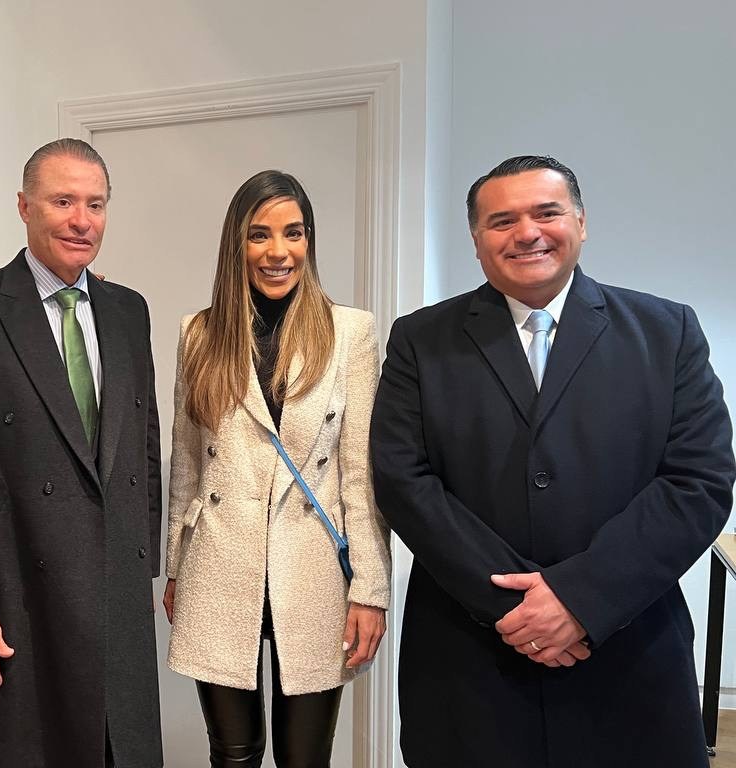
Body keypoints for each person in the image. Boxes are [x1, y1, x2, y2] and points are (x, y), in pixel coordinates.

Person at [370, 155, 736, 767]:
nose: (527, 233)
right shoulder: (420, 339)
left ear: (581, 223)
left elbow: (698, 481)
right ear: (477, 239)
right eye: (501, 221)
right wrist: (519, 611)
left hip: (627, 649)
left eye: (546, 212)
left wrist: (580, 599)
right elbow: (404, 481)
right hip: (473, 654)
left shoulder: (666, 331)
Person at [0, 138, 162, 768]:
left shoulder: (128, 310)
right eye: (63, 201)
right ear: (24, 206)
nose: (81, 220)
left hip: (114, 590)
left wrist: (141, 566)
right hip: (16, 596)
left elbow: (143, 449)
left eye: (95, 204)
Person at [162, 170, 390, 767]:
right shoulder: (200, 333)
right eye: (259, 234)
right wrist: (176, 568)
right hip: (219, 563)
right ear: (236, 244)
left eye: (294, 232)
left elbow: (361, 476)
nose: (278, 251)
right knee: (232, 754)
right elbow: (187, 464)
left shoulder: (351, 332)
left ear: (309, 240)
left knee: (304, 758)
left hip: (314, 569)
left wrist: (371, 590)